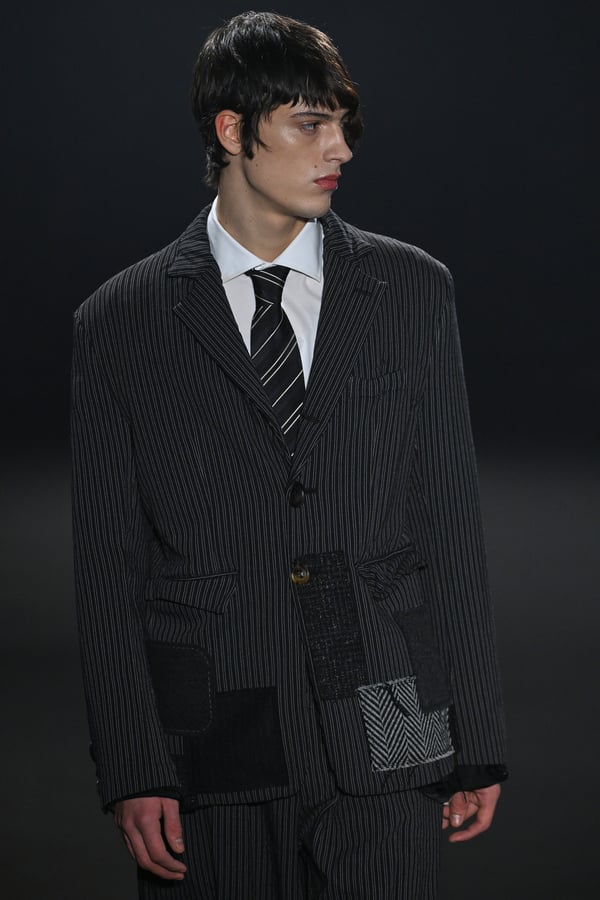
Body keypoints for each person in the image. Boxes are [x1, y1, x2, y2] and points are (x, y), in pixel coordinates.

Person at [70, 10, 508, 899]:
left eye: (343, 125)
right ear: (233, 130)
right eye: (310, 124)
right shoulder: (122, 320)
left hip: (391, 710)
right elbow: (109, 563)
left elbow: (448, 520)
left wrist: (478, 738)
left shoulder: (410, 289)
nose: (338, 149)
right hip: (213, 730)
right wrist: (133, 764)